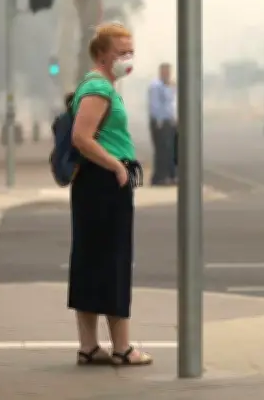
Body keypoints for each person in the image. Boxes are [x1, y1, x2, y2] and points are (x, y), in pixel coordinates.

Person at [68, 22, 153, 367]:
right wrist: (117, 166)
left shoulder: (100, 86)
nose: (127, 58)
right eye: (121, 52)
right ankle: (122, 347)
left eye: (130, 52)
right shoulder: (99, 89)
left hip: (96, 183)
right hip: (104, 183)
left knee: (90, 261)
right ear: (102, 54)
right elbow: (81, 137)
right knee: (114, 261)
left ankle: (89, 346)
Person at [147, 63, 176, 185]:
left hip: (169, 121)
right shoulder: (155, 86)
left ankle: (168, 176)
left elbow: (171, 103)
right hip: (160, 122)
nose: (167, 74)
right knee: (161, 150)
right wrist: (159, 122)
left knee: (170, 150)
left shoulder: (168, 85)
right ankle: (159, 178)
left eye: (169, 72)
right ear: (161, 72)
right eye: (165, 72)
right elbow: (155, 106)